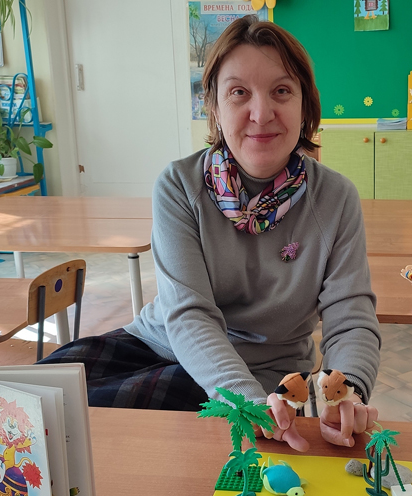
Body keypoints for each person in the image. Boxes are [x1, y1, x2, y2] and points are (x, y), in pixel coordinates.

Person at [40, 16, 382, 453]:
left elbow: (350, 316)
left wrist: (346, 392)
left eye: (281, 91)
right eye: (239, 92)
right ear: (215, 108)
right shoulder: (179, 185)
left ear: (305, 106)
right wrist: (242, 399)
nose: (261, 113)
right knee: (39, 399)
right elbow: (189, 315)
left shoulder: (335, 198)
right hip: (162, 346)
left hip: (265, 375)